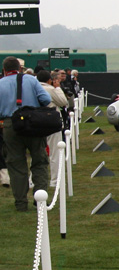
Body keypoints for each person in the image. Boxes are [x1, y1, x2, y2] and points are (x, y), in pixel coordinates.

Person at [0, 56, 52, 211]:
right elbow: (46, 99)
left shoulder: (0, 83)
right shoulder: (31, 80)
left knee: (16, 165)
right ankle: (40, 199)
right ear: (20, 68)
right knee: (39, 161)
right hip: (33, 122)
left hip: (10, 125)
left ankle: (21, 203)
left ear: (4, 70)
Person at [37, 69, 69, 188]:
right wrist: (57, 88)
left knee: (37, 153)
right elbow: (63, 102)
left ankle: (32, 180)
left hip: (36, 124)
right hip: (50, 123)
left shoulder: (33, 89)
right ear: (49, 80)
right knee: (55, 153)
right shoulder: (50, 89)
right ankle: (55, 181)